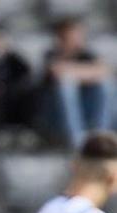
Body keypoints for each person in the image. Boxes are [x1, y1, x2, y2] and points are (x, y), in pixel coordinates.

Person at [43, 17, 113, 149]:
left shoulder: (87, 54)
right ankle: (77, 142)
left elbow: (106, 71)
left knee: (106, 85)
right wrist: (88, 74)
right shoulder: (51, 54)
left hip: (85, 108)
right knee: (66, 86)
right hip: (55, 115)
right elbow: (58, 73)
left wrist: (73, 72)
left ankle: (100, 136)